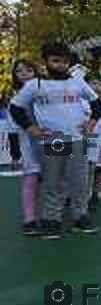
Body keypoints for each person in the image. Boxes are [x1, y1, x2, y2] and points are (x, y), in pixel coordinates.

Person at [9, 41, 101, 239]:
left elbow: (96, 102)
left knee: (79, 180)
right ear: (46, 62)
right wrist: (30, 128)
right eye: (55, 60)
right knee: (53, 182)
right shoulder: (36, 85)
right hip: (53, 141)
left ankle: (80, 216)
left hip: (77, 139)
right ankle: (51, 220)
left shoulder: (77, 82)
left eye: (64, 61)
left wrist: (91, 123)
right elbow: (15, 108)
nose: (60, 65)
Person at [7, 59, 42, 235]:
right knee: (31, 178)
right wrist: (15, 155)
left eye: (29, 70)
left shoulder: (47, 93)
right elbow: (12, 130)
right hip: (29, 144)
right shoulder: (15, 100)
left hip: (54, 141)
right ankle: (29, 219)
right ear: (15, 76)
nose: (24, 74)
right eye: (19, 71)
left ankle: (53, 215)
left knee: (57, 176)